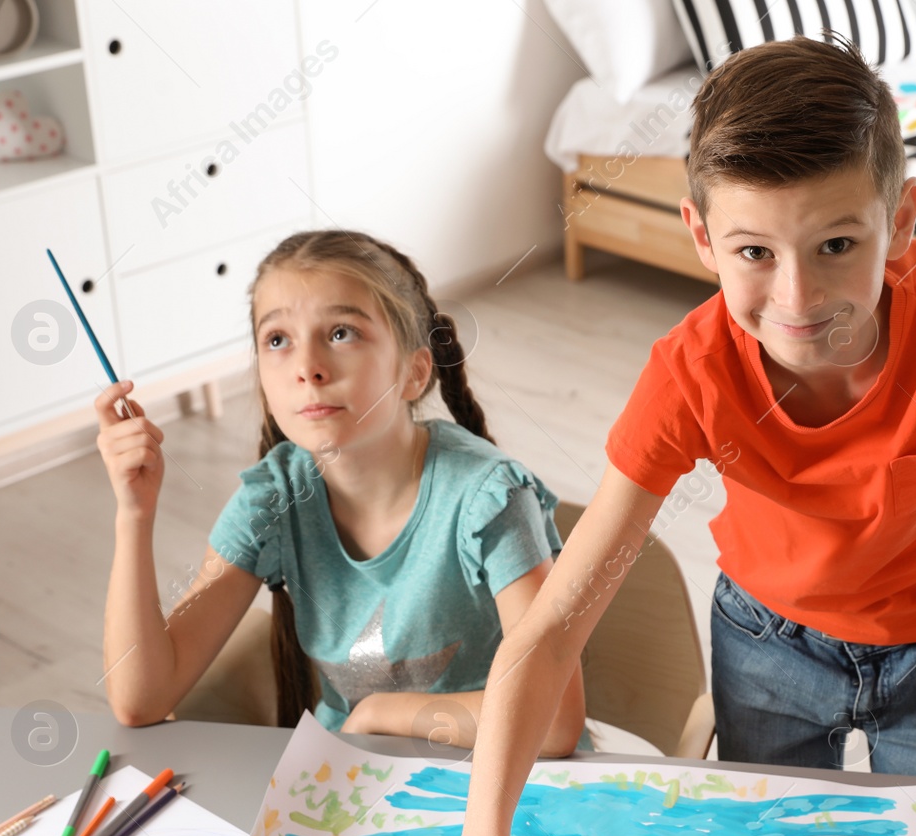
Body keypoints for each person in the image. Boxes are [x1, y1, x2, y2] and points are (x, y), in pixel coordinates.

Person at [432, 33, 916, 836]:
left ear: (900, 221)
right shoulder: (686, 373)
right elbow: (548, 632)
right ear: (699, 236)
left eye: (837, 246)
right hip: (768, 651)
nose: (798, 301)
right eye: (754, 253)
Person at [94, 229, 585, 753]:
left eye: (342, 333)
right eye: (278, 340)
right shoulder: (271, 499)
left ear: (415, 372)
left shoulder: (488, 499)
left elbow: (553, 720)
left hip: (497, 787)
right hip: (351, 791)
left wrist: (380, 713)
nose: (308, 368)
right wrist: (134, 513)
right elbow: (139, 699)